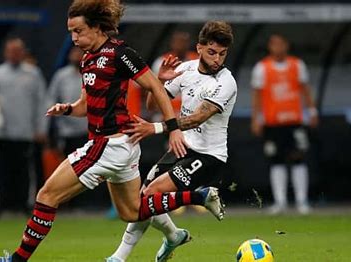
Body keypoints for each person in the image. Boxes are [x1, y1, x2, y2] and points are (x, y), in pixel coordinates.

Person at [0, 1, 221, 261]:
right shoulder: (88, 59)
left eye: (79, 31)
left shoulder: (120, 53)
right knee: (132, 211)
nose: (74, 38)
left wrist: (172, 129)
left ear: (96, 28)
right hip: (122, 146)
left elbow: (156, 87)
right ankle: (199, 196)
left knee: (47, 195)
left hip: (109, 144)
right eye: (71, 32)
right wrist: (69, 109)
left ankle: (15, 260)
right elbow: (84, 105)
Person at [106, 20, 237, 262]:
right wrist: (159, 82)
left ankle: (118, 258)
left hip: (208, 156)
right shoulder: (185, 69)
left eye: (222, 53)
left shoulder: (226, 82)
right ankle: (174, 235)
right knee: (142, 201)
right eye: (212, 52)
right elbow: (152, 103)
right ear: (199, 48)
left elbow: (199, 117)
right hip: (182, 147)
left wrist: (154, 128)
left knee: (152, 194)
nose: (217, 59)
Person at [250, 33, 318, 215]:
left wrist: (312, 111)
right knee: (276, 161)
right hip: (273, 123)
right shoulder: (262, 68)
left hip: (294, 121)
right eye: (274, 44)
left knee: (299, 159)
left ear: (286, 46)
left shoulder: (297, 65)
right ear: (270, 46)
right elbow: (257, 95)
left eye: (281, 44)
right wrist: (256, 118)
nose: (278, 48)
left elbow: (305, 90)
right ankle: (280, 202)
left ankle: (302, 201)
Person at [0, 37, 48, 216]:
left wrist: (41, 128)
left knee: (26, 173)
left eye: (17, 50)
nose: (14, 54)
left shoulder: (33, 73)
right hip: (0, 133)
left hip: (25, 132)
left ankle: (27, 205)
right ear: (6, 53)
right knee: (0, 171)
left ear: (23, 52)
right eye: (11, 50)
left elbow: (42, 102)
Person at [48, 45, 88, 156]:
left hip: (89, 131)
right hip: (67, 132)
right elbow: (51, 100)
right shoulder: (61, 76)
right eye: (74, 52)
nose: (76, 54)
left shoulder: (92, 74)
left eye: (79, 52)